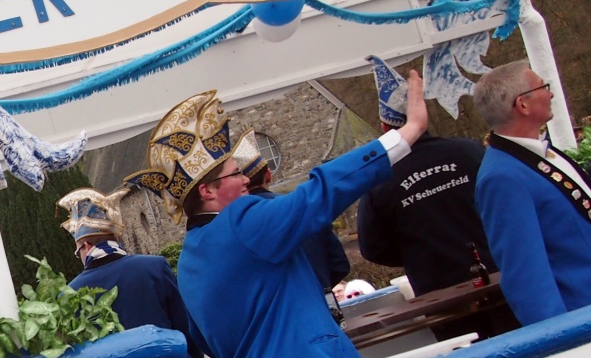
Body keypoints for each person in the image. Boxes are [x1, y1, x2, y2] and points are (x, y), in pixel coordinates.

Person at [126, 72, 429, 358]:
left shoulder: (188, 260)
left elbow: (204, 340)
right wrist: (405, 136)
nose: (245, 180)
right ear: (206, 191)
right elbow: (318, 193)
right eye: (235, 173)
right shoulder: (242, 222)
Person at [358, 56, 501, 296]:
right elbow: (506, 203)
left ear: (384, 128)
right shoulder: (470, 151)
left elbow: (373, 248)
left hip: (439, 296)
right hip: (501, 275)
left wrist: (418, 254)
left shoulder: (379, 180)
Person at [473, 60, 591, 325]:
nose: (550, 94)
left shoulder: (537, 154)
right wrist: (561, 338)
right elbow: (525, 276)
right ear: (523, 104)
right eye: (543, 87)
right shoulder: (502, 177)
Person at [56, 186, 202, 358]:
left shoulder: (69, 295)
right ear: (115, 238)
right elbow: (185, 327)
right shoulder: (155, 267)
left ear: (86, 246)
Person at [235, 129, 350, 290]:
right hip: (324, 304)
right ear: (268, 175)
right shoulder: (305, 207)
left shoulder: (237, 227)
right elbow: (340, 265)